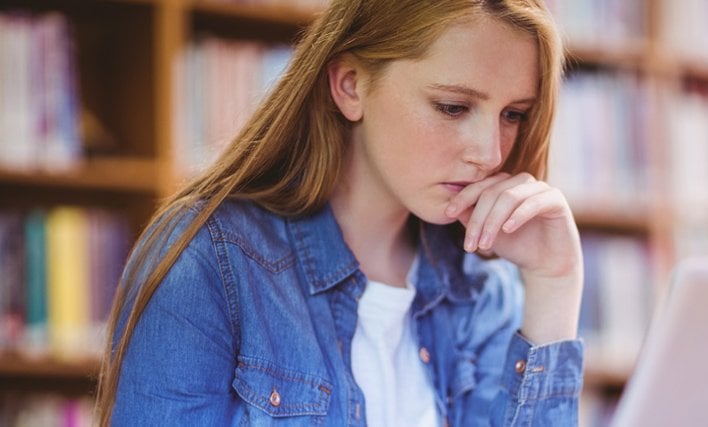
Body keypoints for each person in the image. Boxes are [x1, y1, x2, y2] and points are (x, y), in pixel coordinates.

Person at [96, 0, 584, 425]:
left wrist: (555, 284)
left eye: (513, 115)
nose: (490, 153)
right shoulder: (211, 260)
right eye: (453, 107)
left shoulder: (483, 290)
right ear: (350, 85)